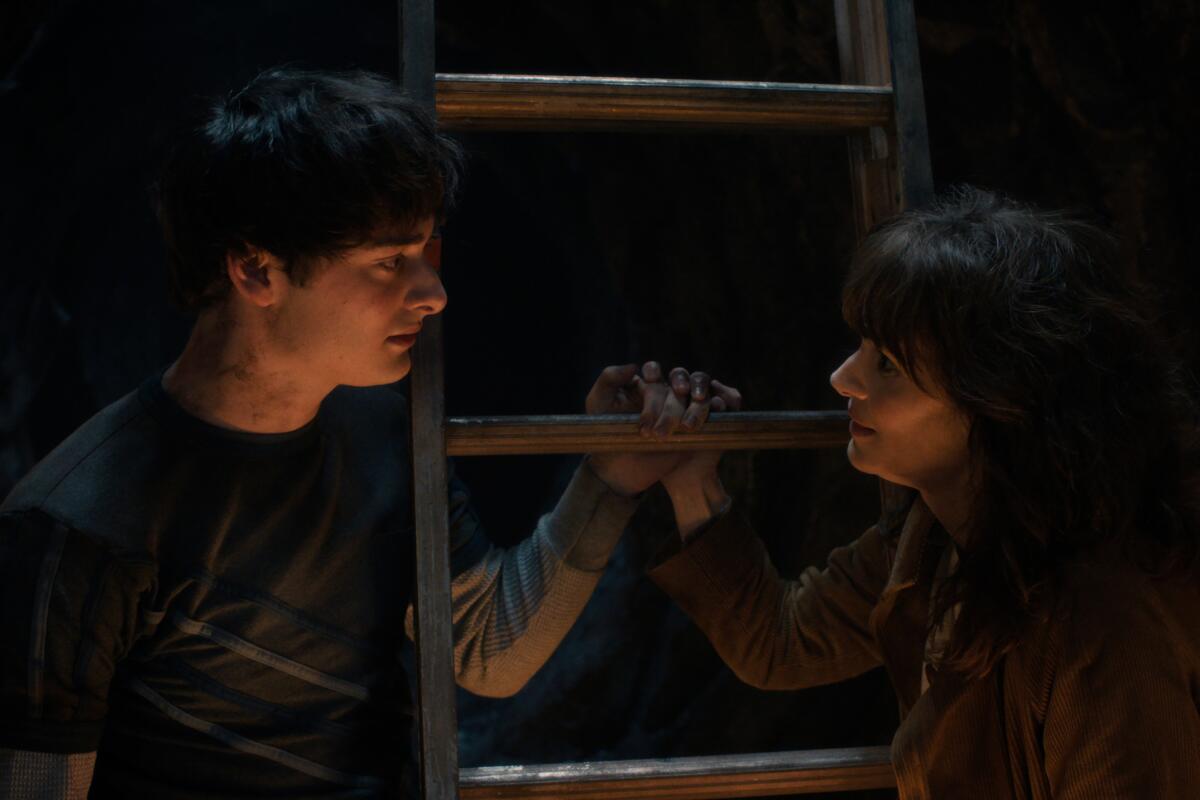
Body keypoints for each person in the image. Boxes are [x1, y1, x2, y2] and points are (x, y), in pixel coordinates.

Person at [0, 67, 734, 798]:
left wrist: (608, 476)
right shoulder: (81, 520)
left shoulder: (381, 427)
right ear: (256, 270)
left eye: (427, 254)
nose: (435, 293)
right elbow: (38, 786)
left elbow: (487, 647)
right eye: (389, 262)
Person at [650, 187, 1200, 798]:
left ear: (996, 401)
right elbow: (782, 642)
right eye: (861, 347)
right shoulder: (937, 535)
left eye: (887, 363)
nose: (842, 379)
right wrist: (691, 476)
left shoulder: (1098, 623)